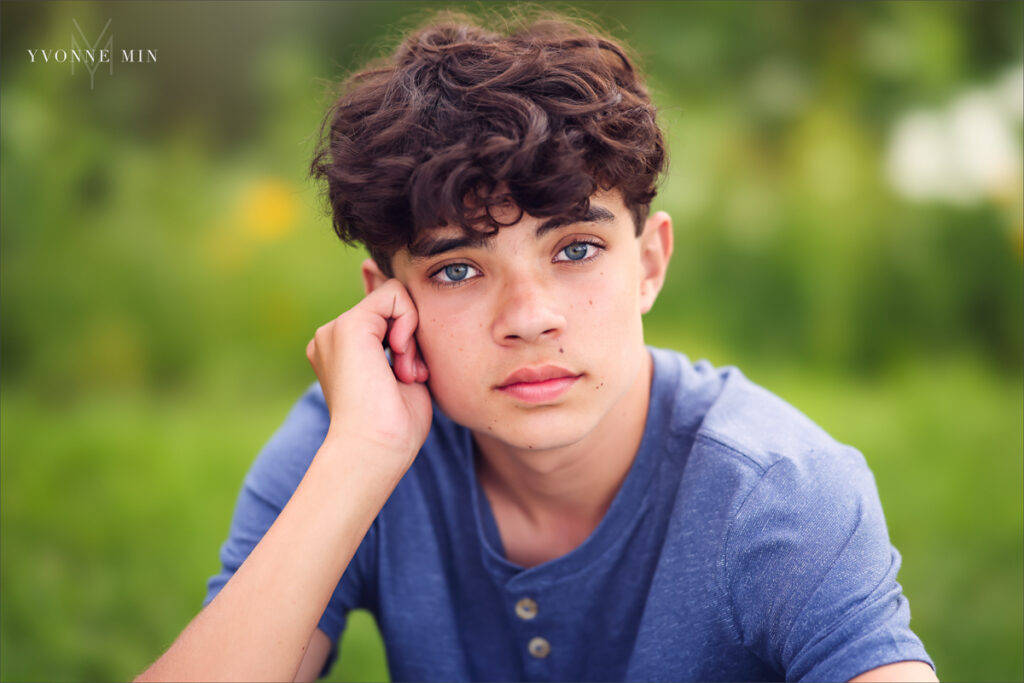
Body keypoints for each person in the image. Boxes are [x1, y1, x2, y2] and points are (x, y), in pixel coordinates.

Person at [137, 10, 937, 683]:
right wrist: (359, 458)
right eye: (457, 269)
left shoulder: (778, 491)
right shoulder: (344, 442)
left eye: (576, 249)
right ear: (387, 300)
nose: (528, 316)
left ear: (650, 262)